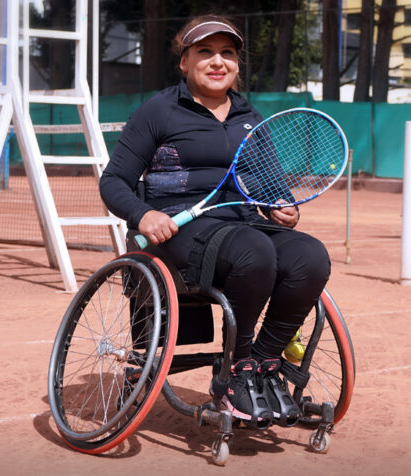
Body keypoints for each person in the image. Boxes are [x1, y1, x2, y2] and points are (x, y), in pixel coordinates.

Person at [99, 15, 331, 429]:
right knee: (253, 250)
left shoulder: (250, 118)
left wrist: (283, 208)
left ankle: (262, 364)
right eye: (204, 52)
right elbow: (114, 180)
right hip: (181, 231)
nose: (217, 61)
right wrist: (144, 213)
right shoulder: (158, 111)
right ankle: (238, 368)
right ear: (184, 61)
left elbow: (272, 188)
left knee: (310, 256)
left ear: (237, 65)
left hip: (245, 228)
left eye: (227, 53)